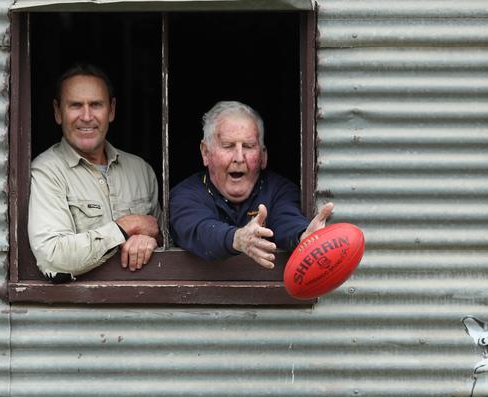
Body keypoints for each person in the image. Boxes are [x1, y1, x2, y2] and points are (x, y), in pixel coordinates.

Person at [29, 65, 162, 279]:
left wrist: (151, 240)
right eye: (75, 105)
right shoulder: (46, 171)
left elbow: (163, 236)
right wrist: (124, 228)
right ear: (57, 112)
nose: (87, 116)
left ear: (111, 110)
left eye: (96, 105)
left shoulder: (141, 170)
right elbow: (52, 256)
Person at [169, 100, 334, 270]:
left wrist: (303, 236)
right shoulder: (184, 195)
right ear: (205, 152)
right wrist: (237, 238)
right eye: (228, 146)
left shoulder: (279, 190)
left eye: (248, 146)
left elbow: (286, 218)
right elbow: (200, 231)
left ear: (263, 156)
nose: (239, 158)